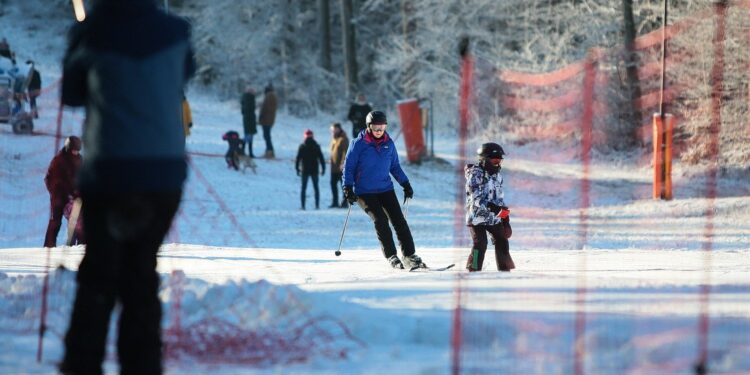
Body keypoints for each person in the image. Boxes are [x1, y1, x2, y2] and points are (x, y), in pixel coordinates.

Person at [58, 0, 196, 374]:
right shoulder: (176, 32)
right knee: (141, 275)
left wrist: (78, 45)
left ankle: (82, 364)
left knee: (98, 278)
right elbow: (183, 74)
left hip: (111, 173)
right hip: (163, 177)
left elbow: (71, 94)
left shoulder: (94, 31)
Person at [342, 110, 424, 270]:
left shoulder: (389, 143)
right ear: (369, 127)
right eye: (375, 128)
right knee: (380, 219)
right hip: (364, 191)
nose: (379, 131)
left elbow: (394, 167)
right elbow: (349, 167)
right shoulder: (358, 144)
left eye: (382, 128)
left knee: (399, 220)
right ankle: (391, 255)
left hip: (385, 188)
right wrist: (347, 187)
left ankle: (409, 255)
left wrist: (405, 184)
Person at [465, 142, 515, 272]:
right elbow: (476, 199)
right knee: (480, 243)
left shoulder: (497, 176)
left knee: (502, 240)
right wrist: (493, 208)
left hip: (493, 218)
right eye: (494, 160)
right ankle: (474, 268)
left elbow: (499, 199)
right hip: (477, 217)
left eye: (499, 160)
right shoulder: (475, 174)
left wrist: (505, 219)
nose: (497, 163)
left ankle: (504, 271)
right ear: (484, 160)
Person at [43, 136, 82, 248]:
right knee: (55, 221)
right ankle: (49, 246)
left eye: (77, 150)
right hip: (59, 196)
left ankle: (78, 245)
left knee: (78, 220)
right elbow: (48, 179)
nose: (75, 152)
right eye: (74, 150)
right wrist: (55, 193)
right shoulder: (59, 160)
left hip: (74, 196)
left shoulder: (80, 160)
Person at [295, 129, 325, 210]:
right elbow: (321, 158)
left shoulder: (302, 146)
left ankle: (303, 206)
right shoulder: (316, 146)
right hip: (314, 169)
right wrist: (323, 168)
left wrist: (297, 168)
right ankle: (317, 205)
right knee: (316, 188)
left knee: (303, 188)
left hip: (305, 170)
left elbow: (298, 159)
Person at [328, 122, 349, 208]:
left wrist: (343, 163)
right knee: (333, 185)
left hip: (341, 167)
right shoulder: (334, 139)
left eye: (334, 130)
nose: (332, 132)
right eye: (331, 130)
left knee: (343, 186)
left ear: (339, 129)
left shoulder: (343, 139)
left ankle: (344, 203)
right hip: (333, 167)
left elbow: (345, 152)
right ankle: (335, 202)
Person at [258, 83, 277, 158]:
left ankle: (269, 151)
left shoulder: (268, 96)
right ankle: (269, 151)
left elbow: (264, 108)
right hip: (271, 119)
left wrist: (260, 117)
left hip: (266, 120)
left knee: (266, 136)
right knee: (267, 135)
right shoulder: (274, 97)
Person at [240, 85, 257, 157]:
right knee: (249, 136)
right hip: (249, 119)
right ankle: (244, 151)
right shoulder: (249, 99)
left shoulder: (245, 98)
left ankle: (245, 151)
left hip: (247, 119)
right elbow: (249, 110)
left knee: (248, 136)